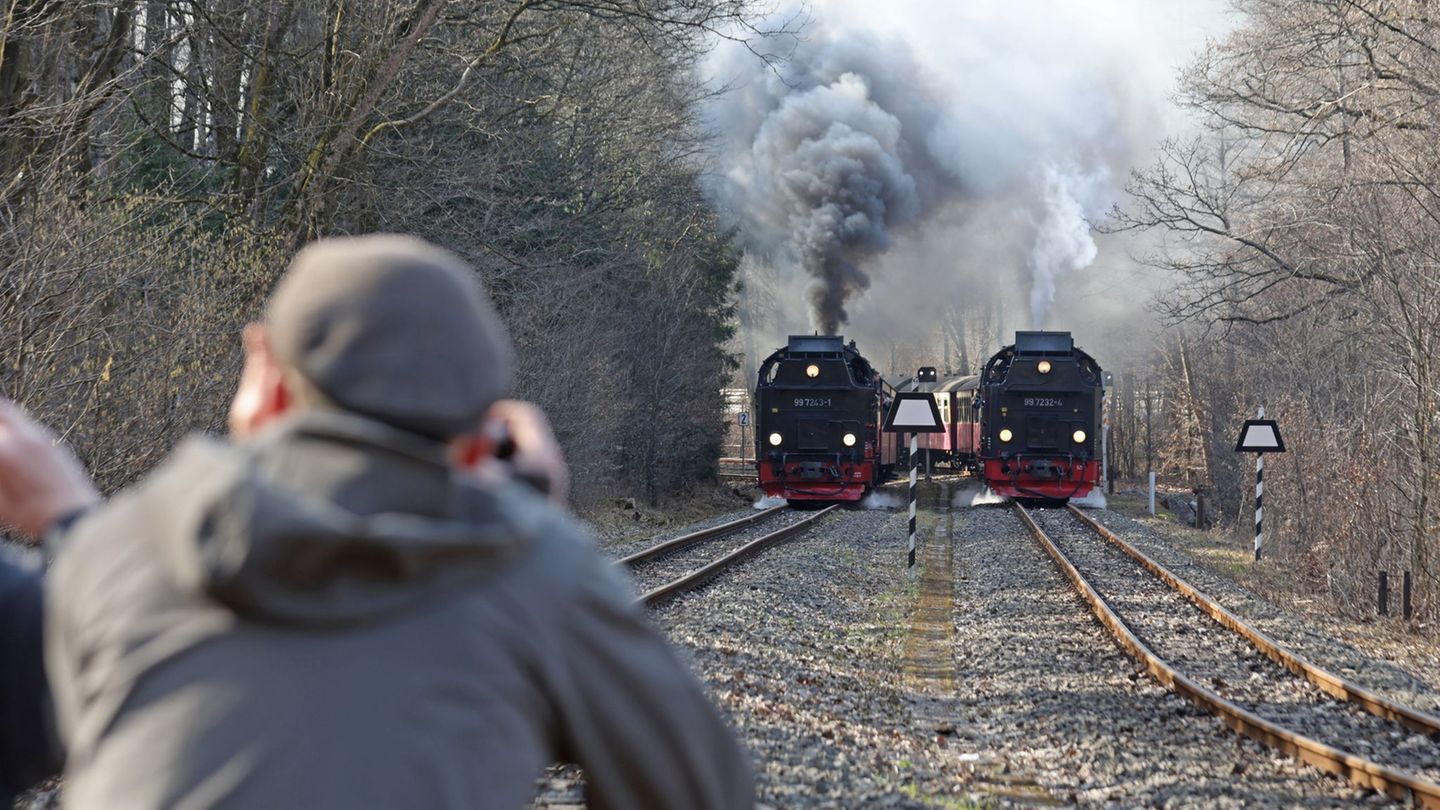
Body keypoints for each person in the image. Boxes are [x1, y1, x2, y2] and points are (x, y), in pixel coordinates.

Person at [0, 235, 754, 809]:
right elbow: (702, 790)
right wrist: (537, 528)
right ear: (479, 429)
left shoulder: (114, 544)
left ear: (263, 374)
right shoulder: (535, 567)